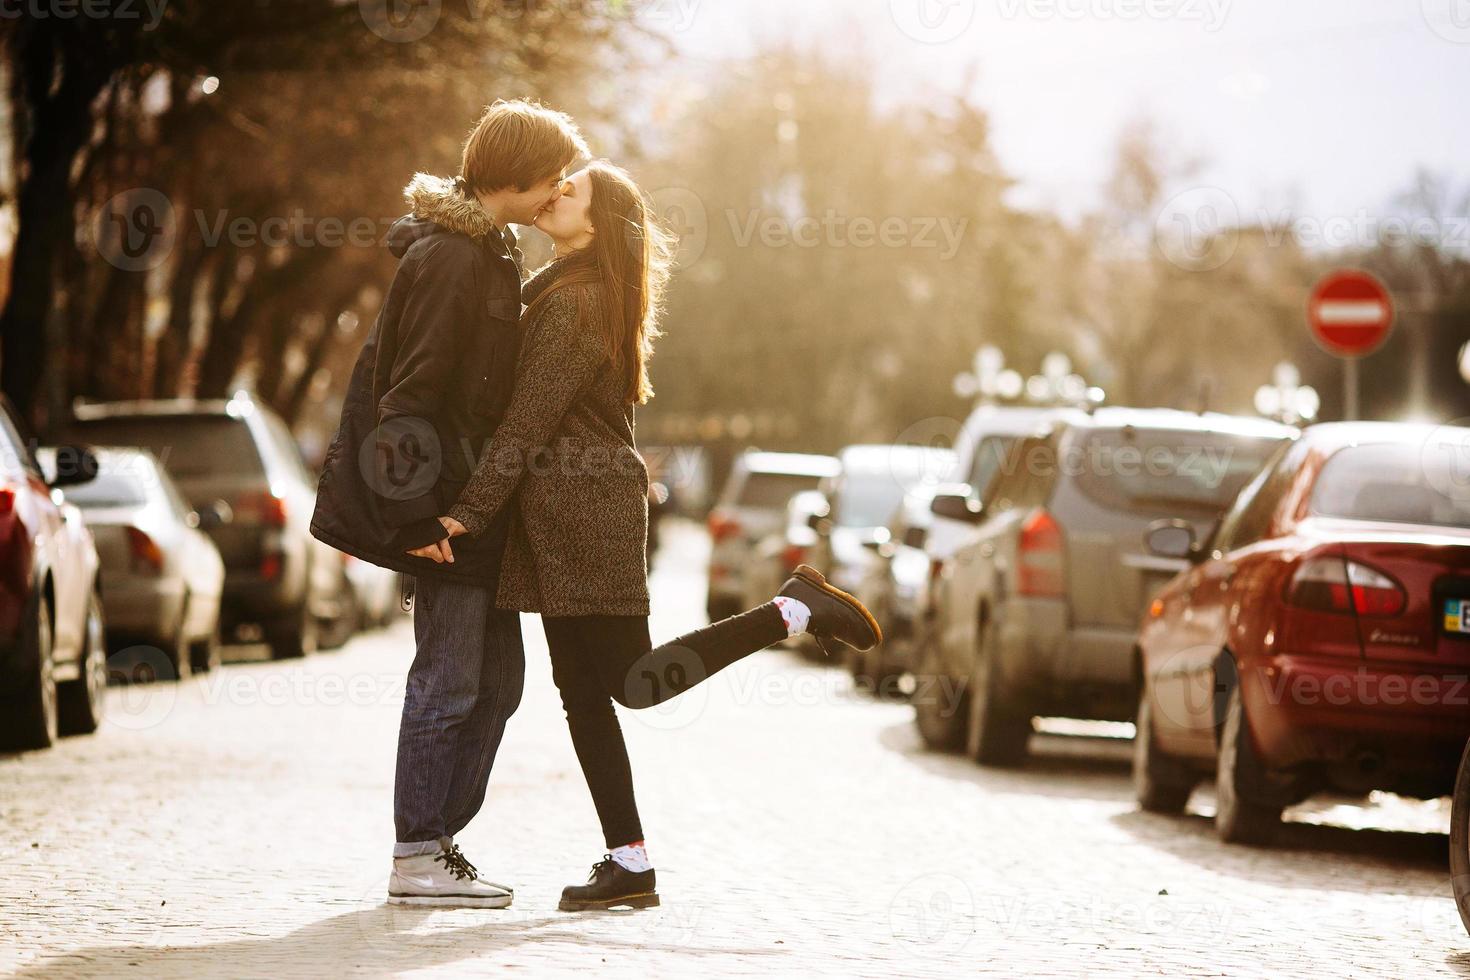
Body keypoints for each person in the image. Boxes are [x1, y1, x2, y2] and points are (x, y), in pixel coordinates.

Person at [406, 161, 881, 911]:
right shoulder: (567, 287)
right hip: (561, 515)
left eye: (572, 191)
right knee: (581, 696)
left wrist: (466, 513)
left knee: (632, 683)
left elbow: (527, 421)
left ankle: (794, 610)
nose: (555, 194)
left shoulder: (579, 303)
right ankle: (628, 861)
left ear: (597, 225)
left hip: (585, 514)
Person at [311, 100, 588, 908]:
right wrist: (415, 516)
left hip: (476, 513)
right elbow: (407, 399)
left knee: (498, 685)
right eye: (553, 177)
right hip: (443, 517)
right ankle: (416, 852)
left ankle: (436, 842)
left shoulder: (488, 251)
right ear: (518, 176)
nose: (559, 192)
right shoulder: (454, 260)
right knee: (449, 681)